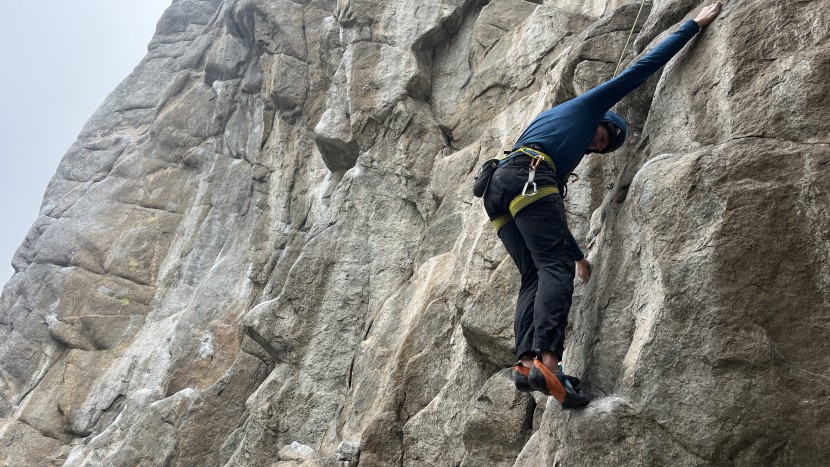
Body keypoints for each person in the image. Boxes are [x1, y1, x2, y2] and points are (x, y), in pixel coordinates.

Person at [483, 2, 723, 408]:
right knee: (553, 268)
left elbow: (547, 223)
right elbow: (640, 70)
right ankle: (548, 364)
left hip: (499, 187)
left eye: (602, 148)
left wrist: (579, 255)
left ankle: (525, 366)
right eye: (602, 138)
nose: (597, 146)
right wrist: (692, 26)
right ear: (604, 121)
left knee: (534, 274)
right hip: (528, 177)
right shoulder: (588, 107)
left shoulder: (555, 133)